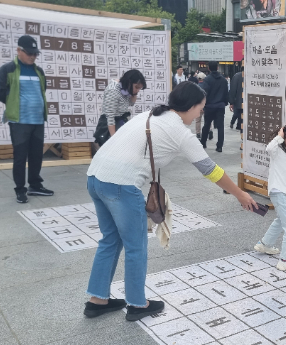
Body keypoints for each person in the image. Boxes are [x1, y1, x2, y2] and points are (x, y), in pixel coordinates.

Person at [83, 81, 258, 320]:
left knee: (110, 240)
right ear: (191, 106)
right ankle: (137, 303)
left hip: (95, 177)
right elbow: (210, 170)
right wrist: (240, 194)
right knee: (136, 246)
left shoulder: (150, 115)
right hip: (120, 185)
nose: (201, 113)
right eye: (201, 108)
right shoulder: (180, 132)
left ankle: (97, 300)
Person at [0, 35, 54, 203]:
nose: (33, 56)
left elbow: (43, 89)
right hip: (19, 122)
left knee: (36, 155)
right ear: (18, 51)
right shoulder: (8, 69)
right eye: (29, 53)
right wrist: (12, 102)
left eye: (35, 54)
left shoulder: (38, 71)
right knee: (20, 157)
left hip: (38, 120)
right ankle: (20, 189)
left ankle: (35, 185)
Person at [253, 119, 286, 274]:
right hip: (278, 192)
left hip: (282, 191)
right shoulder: (277, 147)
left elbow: (284, 171)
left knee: (280, 220)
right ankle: (284, 261)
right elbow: (269, 148)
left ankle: (265, 244)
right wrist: (280, 135)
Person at [95, 69, 146, 146]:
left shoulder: (126, 89)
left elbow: (131, 103)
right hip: (109, 125)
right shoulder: (113, 90)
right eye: (136, 87)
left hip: (120, 121)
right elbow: (110, 117)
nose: (138, 90)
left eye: (139, 88)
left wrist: (134, 93)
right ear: (129, 82)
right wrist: (114, 139)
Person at [199, 61, 229, 152]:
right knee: (220, 127)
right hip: (220, 106)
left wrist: (203, 105)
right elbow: (225, 93)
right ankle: (219, 146)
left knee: (207, 125)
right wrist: (224, 102)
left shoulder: (207, 79)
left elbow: (204, 93)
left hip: (209, 106)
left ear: (209, 68)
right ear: (217, 67)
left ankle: (203, 143)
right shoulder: (224, 80)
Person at [194, 72, 206, 139]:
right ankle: (210, 131)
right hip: (206, 106)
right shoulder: (206, 86)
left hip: (198, 106)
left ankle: (198, 133)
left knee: (198, 120)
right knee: (207, 120)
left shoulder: (195, 87)